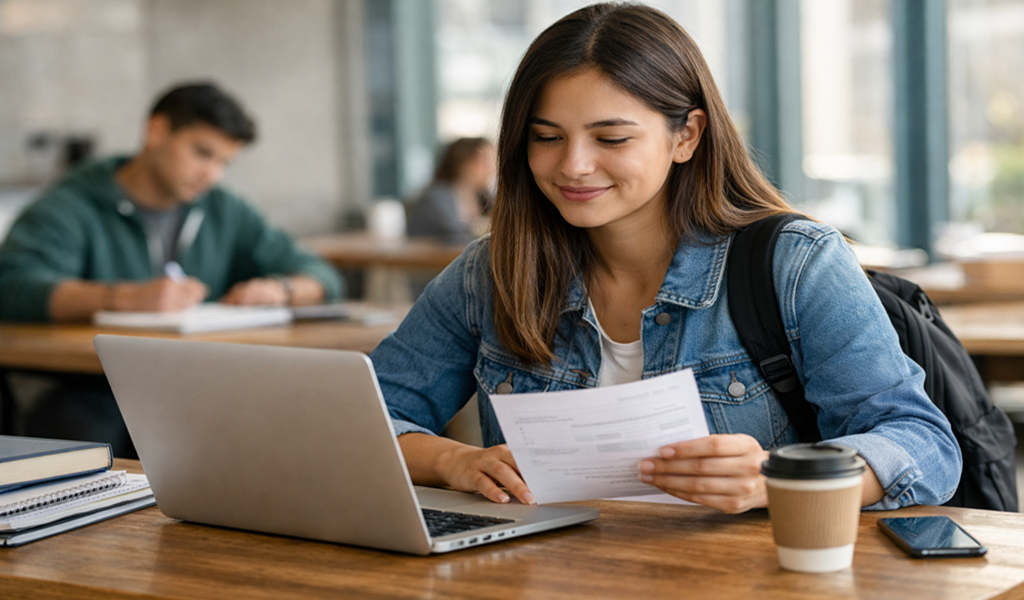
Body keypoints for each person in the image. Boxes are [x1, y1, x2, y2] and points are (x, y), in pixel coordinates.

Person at [368, 3, 962, 514]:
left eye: (611, 138)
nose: (573, 165)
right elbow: (366, 422)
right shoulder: (492, 273)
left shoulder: (795, 263)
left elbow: (923, 443)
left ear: (687, 136)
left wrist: (780, 479)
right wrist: (453, 460)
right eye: (546, 137)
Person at [0, 82, 343, 456]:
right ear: (157, 131)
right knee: (91, 426)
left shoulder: (222, 209)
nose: (211, 174)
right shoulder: (70, 205)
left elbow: (319, 274)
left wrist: (281, 289)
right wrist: (126, 298)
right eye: (202, 153)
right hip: (92, 384)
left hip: (197, 380)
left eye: (224, 163)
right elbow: (13, 285)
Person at [406, 137, 496, 245]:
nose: (491, 168)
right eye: (484, 161)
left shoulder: (483, 198)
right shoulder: (436, 199)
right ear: (462, 163)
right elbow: (457, 235)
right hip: (434, 260)